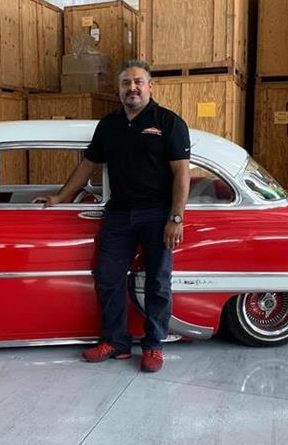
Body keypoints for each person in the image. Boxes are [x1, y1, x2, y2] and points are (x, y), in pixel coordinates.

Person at [38, 60, 190, 373]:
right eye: (125, 84)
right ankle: (117, 342)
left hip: (157, 214)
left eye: (138, 82)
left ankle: (153, 346)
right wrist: (60, 197)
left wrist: (175, 217)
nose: (131, 88)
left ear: (150, 86)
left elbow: (182, 173)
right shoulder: (109, 125)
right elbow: (87, 165)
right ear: (119, 90)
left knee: (158, 282)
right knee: (107, 278)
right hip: (118, 214)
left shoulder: (169, 122)